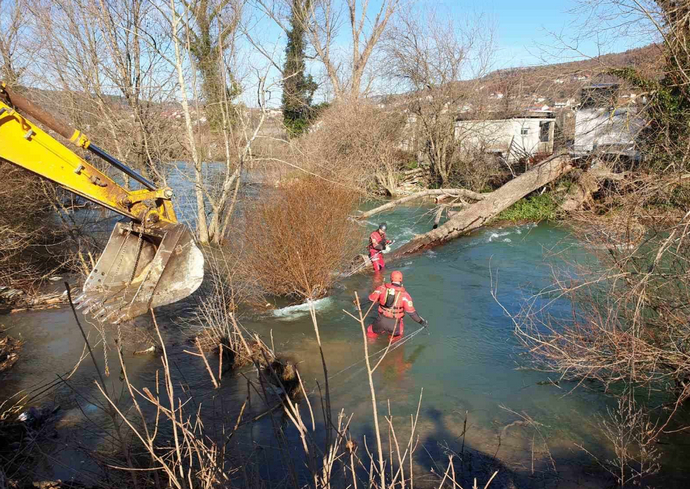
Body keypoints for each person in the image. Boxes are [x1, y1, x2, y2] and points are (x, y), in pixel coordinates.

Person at [366, 270, 428, 340]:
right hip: (395, 324)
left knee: (371, 332)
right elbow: (412, 314)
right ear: (401, 280)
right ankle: (394, 346)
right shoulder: (405, 295)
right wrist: (422, 322)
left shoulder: (381, 288)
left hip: (381, 321)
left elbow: (370, 299)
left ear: (391, 278)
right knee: (396, 339)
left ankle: (370, 345)